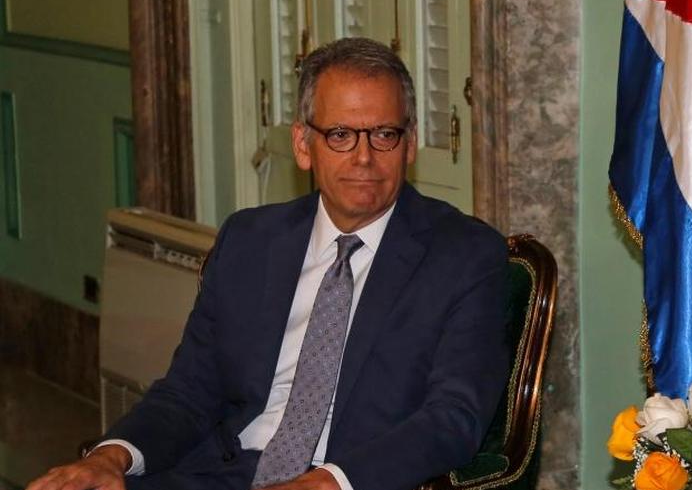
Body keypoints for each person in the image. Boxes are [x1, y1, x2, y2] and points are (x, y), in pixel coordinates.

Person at [28, 38, 509, 490]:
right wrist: (108, 458)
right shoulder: (251, 240)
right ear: (303, 144)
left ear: (409, 143)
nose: (364, 157)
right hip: (221, 473)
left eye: (384, 134)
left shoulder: (463, 255)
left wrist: (329, 482)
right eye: (340, 134)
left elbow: (453, 418)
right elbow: (189, 392)